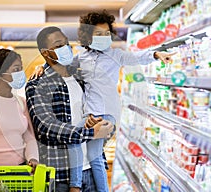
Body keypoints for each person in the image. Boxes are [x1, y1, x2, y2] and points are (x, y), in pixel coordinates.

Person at [30, 10, 175, 192]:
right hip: (91, 113)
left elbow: (136, 57)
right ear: (87, 36)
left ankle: (76, 186)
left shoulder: (116, 55)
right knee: (93, 154)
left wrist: (156, 55)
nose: (103, 37)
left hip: (107, 112)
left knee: (87, 149)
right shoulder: (81, 58)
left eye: (107, 34)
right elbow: (58, 63)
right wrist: (41, 67)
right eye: (98, 34)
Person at [25, 26, 114, 192]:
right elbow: (47, 127)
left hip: (93, 169)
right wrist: (91, 133)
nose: (66, 48)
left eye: (66, 44)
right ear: (45, 53)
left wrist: (104, 126)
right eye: (59, 46)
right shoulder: (37, 85)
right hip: (62, 176)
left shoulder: (81, 76)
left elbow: (98, 107)